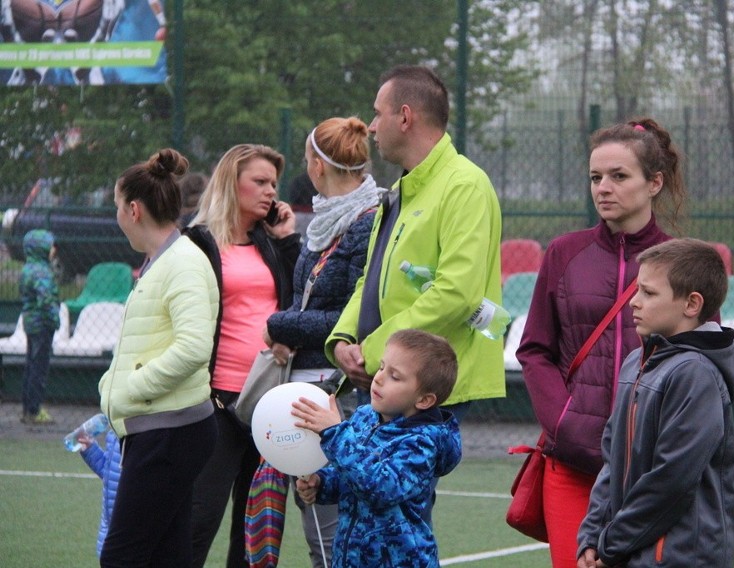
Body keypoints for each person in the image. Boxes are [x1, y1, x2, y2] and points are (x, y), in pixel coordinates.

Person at [516, 117, 687, 566]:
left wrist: (665, 441)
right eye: (596, 177)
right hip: (571, 465)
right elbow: (535, 350)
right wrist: (566, 422)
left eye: (618, 176)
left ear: (654, 183)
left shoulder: (682, 263)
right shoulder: (564, 254)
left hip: (651, 473)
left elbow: (703, 361)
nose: (603, 188)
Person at [326, 64, 505, 424]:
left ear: (405, 117)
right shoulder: (399, 191)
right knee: (368, 480)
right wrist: (343, 339)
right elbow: (370, 279)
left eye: (378, 114)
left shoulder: (464, 185)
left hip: (422, 386)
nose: (371, 127)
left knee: (394, 481)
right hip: (385, 374)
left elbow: (457, 293)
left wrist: (377, 352)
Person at [256, 116, 383, 567]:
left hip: (338, 391)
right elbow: (307, 299)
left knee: (333, 535)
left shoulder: (370, 221)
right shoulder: (322, 223)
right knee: (320, 535)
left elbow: (353, 315)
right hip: (305, 384)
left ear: (316, 165)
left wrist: (280, 326)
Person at [577, 238, 734, 567]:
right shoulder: (636, 363)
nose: (633, 303)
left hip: (678, 557)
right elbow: (611, 461)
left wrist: (611, 543)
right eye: (636, 290)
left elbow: (672, 480)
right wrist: (592, 536)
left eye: (649, 293)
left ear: (691, 304)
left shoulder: (695, 374)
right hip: (630, 550)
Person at [98, 148, 219, 566]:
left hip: (169, 432)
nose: (116, 215)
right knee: (168, 556)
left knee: (121, 557)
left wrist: (130, 390)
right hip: (164, 429)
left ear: (133, 209)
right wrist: (110, 386)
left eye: (117, 206)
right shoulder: (161, 261)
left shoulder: (182, 263)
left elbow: (193, 346)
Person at [184, 144, 301, 568]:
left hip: (268, 402)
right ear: (231, 183)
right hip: (215, 402)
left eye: (273, 183)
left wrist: (287, 239)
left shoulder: (269, 243)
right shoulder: (197, 242)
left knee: (256, 532)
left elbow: (299, 294)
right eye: (260, 182)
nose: (271, 191)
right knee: (199, 517)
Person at [294, 329, 462, 568]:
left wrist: (334, 432)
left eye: (395, 376)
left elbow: (380, 487)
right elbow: (351, 476)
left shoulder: (421, 443)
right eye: (382, 367)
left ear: (424, 400)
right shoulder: (365, 417)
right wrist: (322, 484)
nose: (379, 378)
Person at [18, 229, 60, 424]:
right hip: (42, 324)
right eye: (50, 245)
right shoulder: (42, 272)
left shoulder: (27, 268)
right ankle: (35, 410)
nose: (53, 249)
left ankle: (27, 408)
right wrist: (54, 318)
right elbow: (46, 299)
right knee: (39, 368)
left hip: (30, 322)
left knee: (31, 365)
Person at [79, 428, 122, 559]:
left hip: (134, 530)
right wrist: (90, 450)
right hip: (111, 528)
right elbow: (109, 473)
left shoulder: (143, 437)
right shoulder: (114, 434)